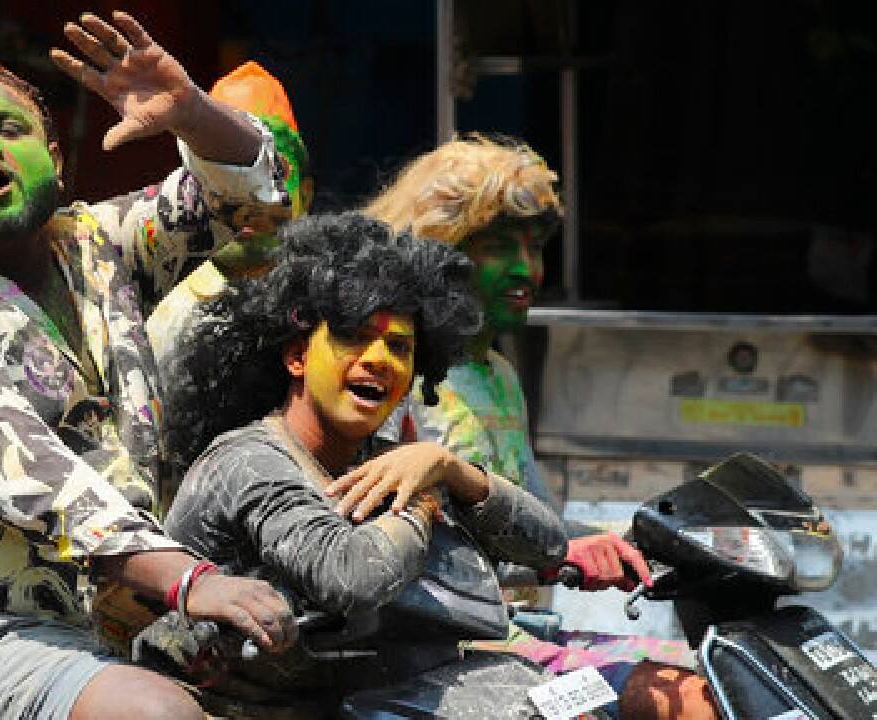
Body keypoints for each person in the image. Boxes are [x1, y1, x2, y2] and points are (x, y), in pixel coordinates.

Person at [0, 11, 296, 720]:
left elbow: (247, 193)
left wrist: (191, 113)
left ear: (56, 160)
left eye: (8, 129)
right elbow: (36, 478)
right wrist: (190, 582)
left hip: (107, 622)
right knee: (157, 716)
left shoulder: (95, 246)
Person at [362, 133, 715, 718]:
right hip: (452, 656)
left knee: (715, 681)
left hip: (524, 631)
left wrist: (657, 540)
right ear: (439, 253)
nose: (527, 269)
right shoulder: (399, 376)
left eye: (535, 247)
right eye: (500, 248)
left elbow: (541, 518)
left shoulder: (498, 375)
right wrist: (560, 552)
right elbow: (416, 559)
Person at [162, 212, 570, 707]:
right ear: (297, 356)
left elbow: (550, 547)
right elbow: (352, 577)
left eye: (399, 347)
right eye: (353, 335)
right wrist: (420, 502)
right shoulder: (247, 461)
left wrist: (454, 470)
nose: (379, 358)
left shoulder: (390, 462)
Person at [146, 59, 313, 503]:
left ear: (307, 193)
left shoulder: (331, 312)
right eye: (227, 183)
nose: (251, 200)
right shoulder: (152, 305)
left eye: (275, 173)